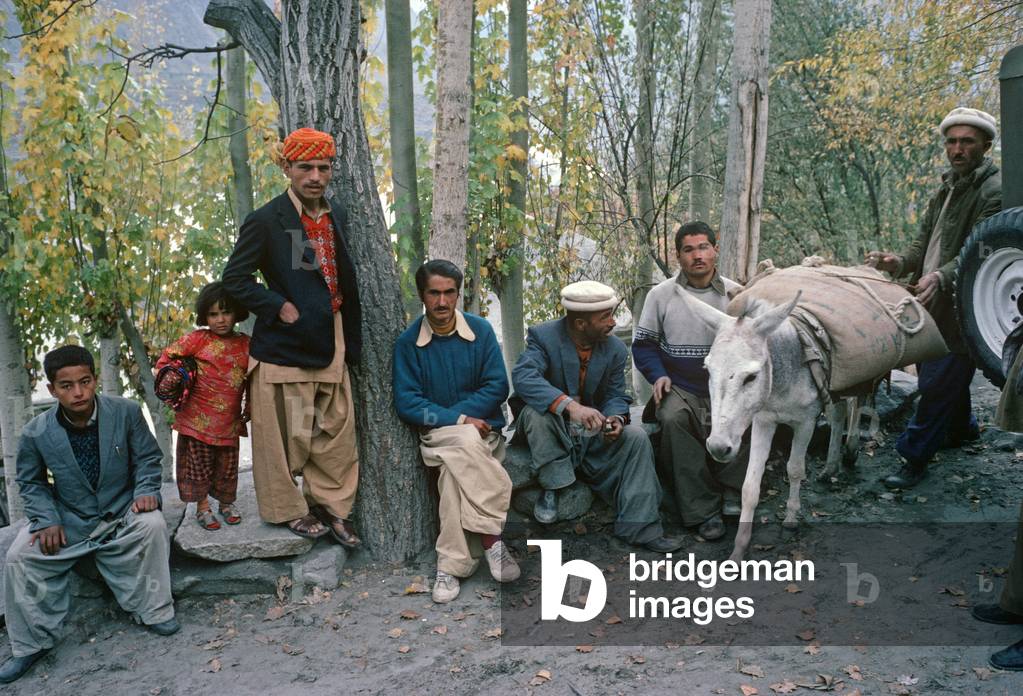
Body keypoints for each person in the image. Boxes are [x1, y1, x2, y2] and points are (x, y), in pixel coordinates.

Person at [0, 346, 177, 684]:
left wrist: (145, 492)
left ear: (95, 380)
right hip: (70, 517)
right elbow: (31, 482)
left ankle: (155, 611)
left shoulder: (125, 412)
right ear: (52, 390)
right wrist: (46, 519)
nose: (78, 392)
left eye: (84, 381)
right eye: (66, 386)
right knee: (18, 556)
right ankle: (29, 644)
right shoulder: (36, 432)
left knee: (152, 524)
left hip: (122, 509)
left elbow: (147, 460)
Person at [222, 127, 362, 546]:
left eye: (323, 167)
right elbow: (235, 279)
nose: (315, 176)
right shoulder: (268, 219)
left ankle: (332, 508)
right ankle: (288, 510)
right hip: (285, 345)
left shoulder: (335, 214)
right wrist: (278, 306)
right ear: (287, 167)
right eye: (305, 167)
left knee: (335, 430)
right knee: (282, 437)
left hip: (331, 336)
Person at [866, 107, 1002, 489]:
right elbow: (923, 242)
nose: (957, 149)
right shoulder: (947, 186)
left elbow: (980, 249)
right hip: (934, 301)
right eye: (952, 141)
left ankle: (914, 457)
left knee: (937, 380)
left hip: (967, 304)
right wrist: (897, 262)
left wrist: (941, 276)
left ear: (986, 146)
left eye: (967, 142)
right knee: (935, 372)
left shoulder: (994, 191)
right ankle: (963, 429)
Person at [510, 280, 683, 552]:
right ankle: (554, 485)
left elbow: (616, 394)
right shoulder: (544, 337)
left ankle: (640, 527)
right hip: (552, 430)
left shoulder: (613, 348)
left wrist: (615, 418)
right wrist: (570, 406)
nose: (613, 322)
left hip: (589, 432)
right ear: (580, 324)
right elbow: (523, 377)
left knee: (636, 437)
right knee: (537, 412)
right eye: (606, 317)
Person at [393, 260, 520, 603]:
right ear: (422, 295)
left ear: (458, 294)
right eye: (434, 293)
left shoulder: (479, 331)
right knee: (461, 439)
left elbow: (497, 386)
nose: (442, 302)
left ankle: (450, 566)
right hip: (440, 434)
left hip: (483, 438)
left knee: (452, 475)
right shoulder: (408, 343)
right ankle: (493, 539)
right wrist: (460, 419)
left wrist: (469, 421)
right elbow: (407, 402)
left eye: (450, 293)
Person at [632, 221, 745, 540]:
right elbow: (644, 345)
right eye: (689, 249)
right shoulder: (661, 295)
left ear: (715, 250)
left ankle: (733, 492)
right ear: (678, 257)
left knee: (747, 416)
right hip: (680, 384)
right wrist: (658, 375)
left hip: (727, 385)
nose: (698, 255)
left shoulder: (736, 295)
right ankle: (701, 510)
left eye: (704, 247)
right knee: (673, 418)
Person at [155, 282, 250, 530]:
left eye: (226, 312)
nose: (220, 319)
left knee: (227, 466)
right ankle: (203, 507)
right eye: (213, 314)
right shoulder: (197, 339)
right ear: (204, 316)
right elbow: (165, 360)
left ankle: (227, 504)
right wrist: (178, 377)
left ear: (237, 312)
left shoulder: (246, 344)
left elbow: (255, 378)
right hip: (197, 419)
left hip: (229, 420)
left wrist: (250, 407)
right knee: (199, 466)